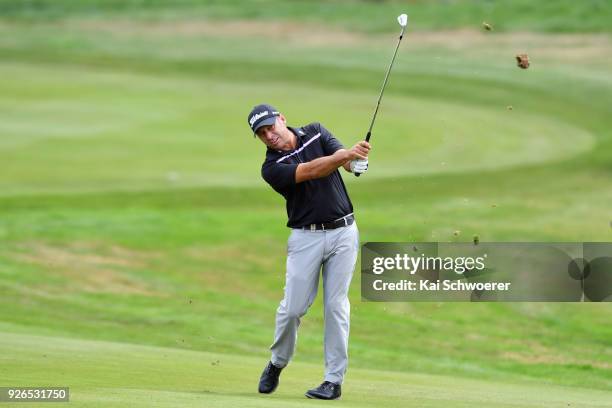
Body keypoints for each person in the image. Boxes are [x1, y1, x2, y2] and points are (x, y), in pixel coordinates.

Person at [248, 103, 370, 400]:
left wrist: (356, 163)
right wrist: (345, 156)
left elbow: (344, 161)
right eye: (261, 133)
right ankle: (277, 362)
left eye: (270, 127)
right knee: (292, 309)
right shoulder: (271, 168)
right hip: (306, 239)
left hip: (344, 232)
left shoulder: (316, 131)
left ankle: (333, 380)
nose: (269, 135)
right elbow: (314, 170)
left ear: (282, 119)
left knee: (336, 306)